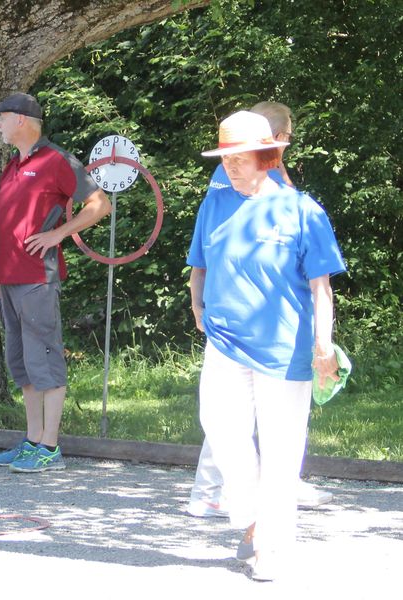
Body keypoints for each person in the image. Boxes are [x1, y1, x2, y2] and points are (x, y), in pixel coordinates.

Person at [187, 110, 345, 580]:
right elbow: (200, 263)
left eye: (240, 158)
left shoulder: (302, 209)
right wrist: (197, 306)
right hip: (224, 342)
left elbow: (321, 288)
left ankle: (270, 546)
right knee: (219, 426)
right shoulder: (215, 204)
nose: (231, 167)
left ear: (266, 155)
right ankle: (252, 521)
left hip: (285, 348)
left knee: (281, 447)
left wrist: (324, 347)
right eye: (226, 158)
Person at [0, 92, 111, 473]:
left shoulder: (56, 160)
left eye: (2, 117)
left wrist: (59, 235)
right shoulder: (12, 165)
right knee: (22, 363)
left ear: (22, 120)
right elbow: (6, 229)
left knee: (45, 359)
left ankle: (50, 447)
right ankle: (32, 440)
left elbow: (99, 204)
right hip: (8, 280)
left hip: (37, 278)